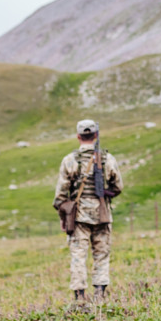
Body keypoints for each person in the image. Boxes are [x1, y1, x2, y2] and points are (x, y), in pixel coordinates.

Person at [53, 119, 123, 303]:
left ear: (78, 136)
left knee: (78, 255)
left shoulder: (69, 160)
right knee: (101, 254)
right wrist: (105, 193)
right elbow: (118, 187)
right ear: (96, 135)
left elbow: (60, 196)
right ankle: (100, 293)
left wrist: (64, 216)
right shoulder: (108, 159)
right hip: (102, 214)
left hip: (78, 217)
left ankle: (80, 296)